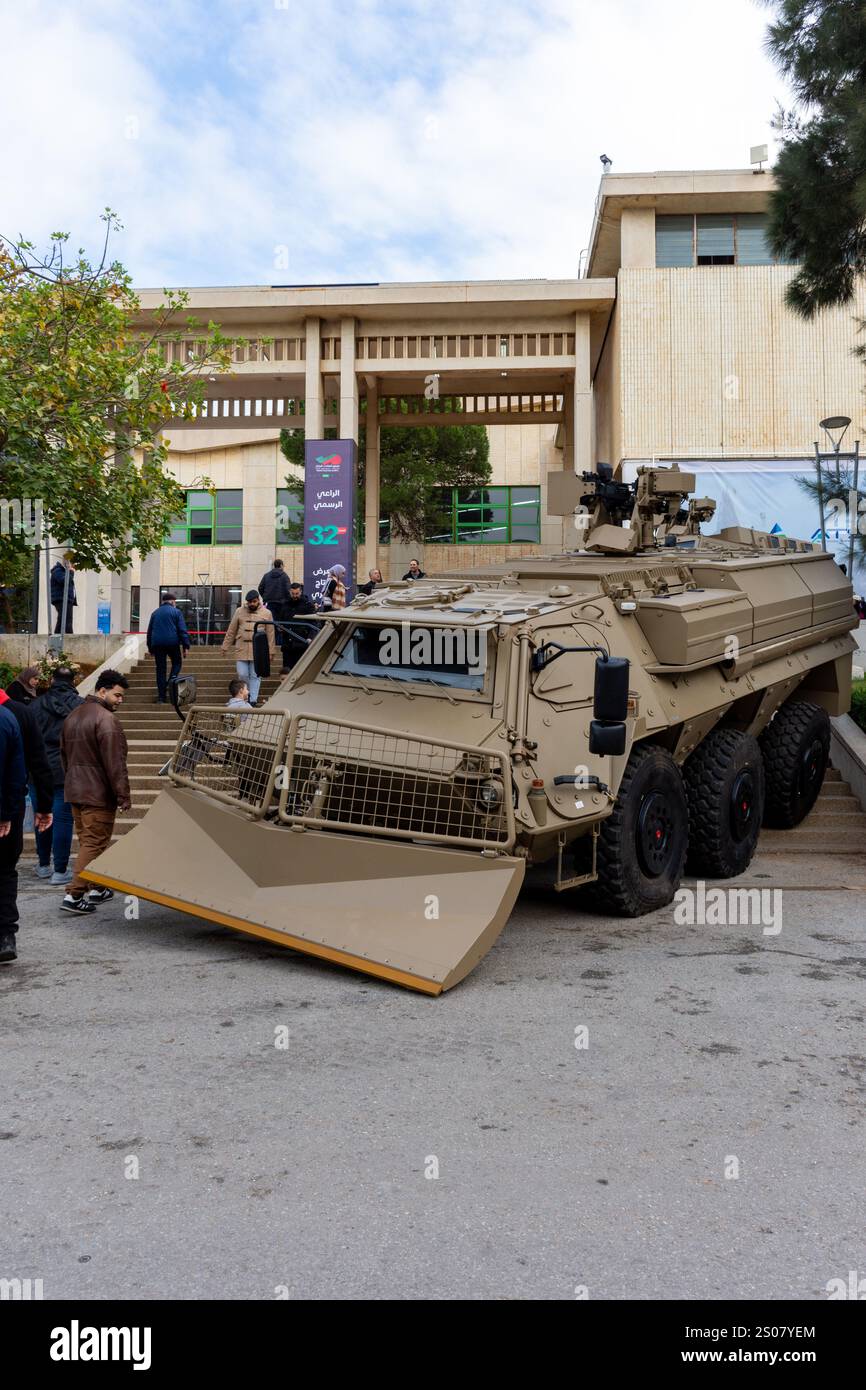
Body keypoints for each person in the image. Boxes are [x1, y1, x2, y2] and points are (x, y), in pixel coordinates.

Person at [59, 670, 131, 916]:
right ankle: (74, 894)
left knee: (89, 841)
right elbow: (115, 763)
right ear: (103, 691)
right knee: (94, 842)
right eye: (117, 695)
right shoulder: (106, 720)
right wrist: (123, 795)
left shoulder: (73, 716)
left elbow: (64, 756)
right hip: (97, 793)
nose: (120, 700)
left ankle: (97, 886)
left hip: (75, 790)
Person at [31, 666, 83, 885]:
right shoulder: (81, 707)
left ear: (51, 680)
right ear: (73, 682)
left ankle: (43, 865)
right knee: (62, 819)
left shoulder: (35, 705)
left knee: (41, 816)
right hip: (66, 766)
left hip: (39, 767)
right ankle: (60, 870)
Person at [0, 702, 27, 963]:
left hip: (7, 811)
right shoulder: (8, 718)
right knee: (6, 872)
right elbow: (17, 773)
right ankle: (6, 934)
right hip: (9, 811)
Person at [221, 591, 276, 707]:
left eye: (254, 601)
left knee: (256, 675)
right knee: (242, 674)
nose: (251, 604)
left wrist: (271, 651)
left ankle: (253, 700)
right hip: (241, 648)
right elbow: (231, 630)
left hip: (259, 650)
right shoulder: (239, 611)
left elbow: (271, 633)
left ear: (258, 600)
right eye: (249, 602)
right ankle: (244, 698)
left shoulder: (267, 613)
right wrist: (225, 646)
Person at [146, 593, 191, 703]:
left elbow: (149, 632)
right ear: (172, 602)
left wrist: (150, 648)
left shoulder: (155, 613)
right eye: (174, 602)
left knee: (160, 670)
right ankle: (172, 680)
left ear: (163, 602)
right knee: (177, 663)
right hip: (172, 643)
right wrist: (186, 646)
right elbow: (182, 630)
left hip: (157, 644)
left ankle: (161, 697)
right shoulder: (176, 612)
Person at [282, 582, 317, 671]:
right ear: (290, 592)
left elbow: (314, 623)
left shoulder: (308, 605)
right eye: (293, 594)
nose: (295, 596)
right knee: (287, 671)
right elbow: (281, 619)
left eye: (297, 594)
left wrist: (310, 637)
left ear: (301, 592)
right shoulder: (285, 604)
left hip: (302, 643)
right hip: (288, 645)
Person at [50, 554, 77, 634]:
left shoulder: (63, 571)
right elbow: (65, 581)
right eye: (74, 563)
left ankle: (56, 639)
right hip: (62, 599)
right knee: (67, 621)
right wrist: (71, 572)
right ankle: (70, 639)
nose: (74, 566)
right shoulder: (58, 570)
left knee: (62, 620)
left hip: (66, 599)